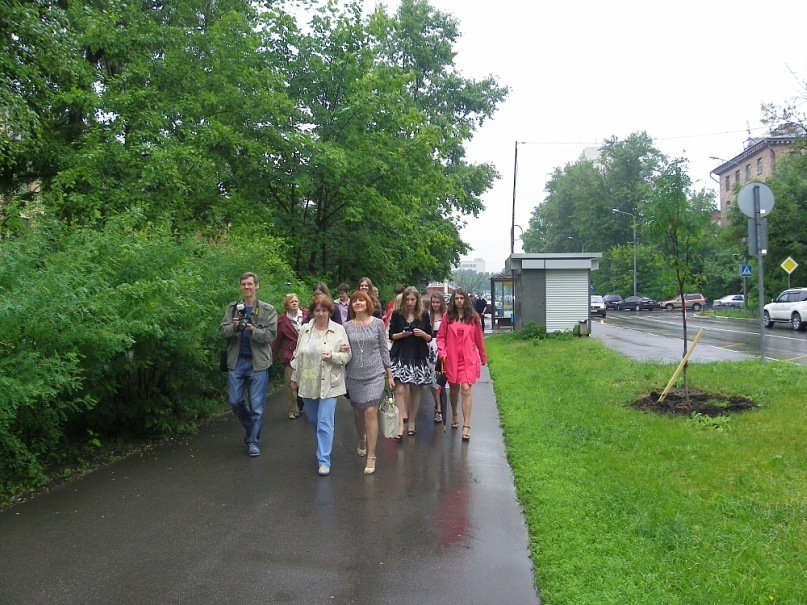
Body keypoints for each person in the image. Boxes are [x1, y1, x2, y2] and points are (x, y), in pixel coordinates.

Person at [290, 294, 351, 476]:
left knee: (324, 421)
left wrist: (333, 356)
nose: (321, 313)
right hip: (308, 382)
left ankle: (324, 460)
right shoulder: (305, 330)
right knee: (314, 420)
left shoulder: (339, 330)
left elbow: (347, 356)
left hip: (330, 383)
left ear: (329, 311)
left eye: (324, 310)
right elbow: (297, 355)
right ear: (312, 312)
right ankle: (324, 441)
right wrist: (294, 378)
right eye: (317, 310)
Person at [219, 272, 278, 456]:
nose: (246, 287)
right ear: (240, 287)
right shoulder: (233, 308)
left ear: (256, 286)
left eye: (250, 284)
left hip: (258, 363)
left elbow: (271, 335)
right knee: (235, 401)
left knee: (257, 407)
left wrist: (252, 330)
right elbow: (222, 332)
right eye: (243, 284)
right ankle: (251, 428)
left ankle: (253, 441)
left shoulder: (268, 310)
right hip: (236, 361)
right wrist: (234, 327)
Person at [342, 290, 394, 475]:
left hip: (375, 374)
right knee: (358, 414)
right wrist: (342, 349)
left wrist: (389, 374)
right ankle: (361, 438)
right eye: (354, 301)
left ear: (368, 303)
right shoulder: (346, 327)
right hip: (354, 376)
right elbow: (342, 350)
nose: (358, 303)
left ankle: (372, 455)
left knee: (370, 412)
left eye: (361, 300)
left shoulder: (378, 323)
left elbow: (383, 349)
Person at [436, 288, 487, 442]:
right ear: (453, 300)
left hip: (468, 359)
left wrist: (483, 357)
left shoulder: (473, 317)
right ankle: (455, 414)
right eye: (456, 298)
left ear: (466, 300)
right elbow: (440, 337)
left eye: (461, 298)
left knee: (466, 389)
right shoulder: (447, 317)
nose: (459, 301)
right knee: (454, 389)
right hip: (451, 359)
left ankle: (466, 425)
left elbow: (479, 339)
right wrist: (442, 353)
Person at [388, 286, 433, 439]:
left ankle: (412, 421)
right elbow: (391, 335)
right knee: (400, 389)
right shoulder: (397, 314)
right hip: (401, 354)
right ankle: (400, 422)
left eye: (412, 299)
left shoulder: (423, 315)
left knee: (415, 389)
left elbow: (430, 337)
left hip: (418, 355)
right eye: (407, 299)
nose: (409, 302)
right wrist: (402, 334)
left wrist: (422, 334)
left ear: (417, 300)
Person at [271, 293, 308, 420]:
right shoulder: (282, 321)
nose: (294, 303)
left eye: (296, 301)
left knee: (307, 382)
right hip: (290, 356)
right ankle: (293, 410)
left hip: (307, 354)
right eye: (291, 301)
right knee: (290, 384)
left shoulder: (307, 315)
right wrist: (271, 356)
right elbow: (277, 341)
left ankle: (308, 406)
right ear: (286, 305)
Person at [426, 292, 447, 423]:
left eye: (437, 302)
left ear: (441, 303)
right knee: (432, 379)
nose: (435, 305)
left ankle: (441, 406)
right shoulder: (427, 316)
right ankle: (437, 404)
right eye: (433, 302)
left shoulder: (447, 316)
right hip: (429, 349)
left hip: (442, 348)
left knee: (442, 378)